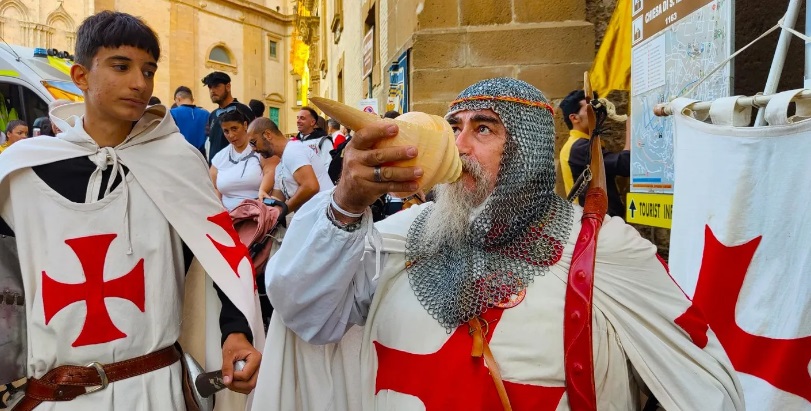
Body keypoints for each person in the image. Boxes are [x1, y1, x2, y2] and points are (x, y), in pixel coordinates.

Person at [252, 78, 744, 411]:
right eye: (453, 129)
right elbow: (304, 313)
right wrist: (344, 204)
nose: (459, 146)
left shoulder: (603, 252)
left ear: (527, 148)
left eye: (483, 128)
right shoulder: (403, 239)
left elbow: (707, 389)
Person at [0, 11, 264, 410]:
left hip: (154, 389)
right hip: (57, 396)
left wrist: (235, 331)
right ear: (81, 75)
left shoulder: (176, 163)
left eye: (149, 70)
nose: (139, 83)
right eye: (121, 66)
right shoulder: (21, 171)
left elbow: (216, 258)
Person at [559, 89, 630, 218]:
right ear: (574, 118)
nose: (596, 113)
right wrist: (632, 131)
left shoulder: (578, 144)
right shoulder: (579, 148)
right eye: (589, 110)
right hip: (595, 225)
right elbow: (625, 165)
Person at [248, 117, 333, 214]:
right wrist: (263, 202)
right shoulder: (280, 165)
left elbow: (310, 186)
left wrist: (284, 210)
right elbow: (278, 199)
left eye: (253, 142)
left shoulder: (293, 150)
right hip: (315, 217)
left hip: (324, 217)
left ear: (268, 135)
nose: (253, 149)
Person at [210, 110, 278, 211]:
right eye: (226, 131)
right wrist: (219, 208)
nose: (231, 135)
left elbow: (271, 171)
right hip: (227, 215)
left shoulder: (260, 149)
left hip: (258, 212)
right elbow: (214, 186)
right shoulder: (220, 157)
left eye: (234, 128)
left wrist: (263, 191)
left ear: (245, 125)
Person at [202, 71, 255, 162]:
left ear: (228, 87)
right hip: (215, 169)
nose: (212, 91)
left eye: (216, 86)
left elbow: (253, 139)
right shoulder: (213, 115)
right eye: (210, 87)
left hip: (237, 167)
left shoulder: (243, 110)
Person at [170, 85, 210, 157]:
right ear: (192, 99)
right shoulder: (206, 114)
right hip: (202, 157)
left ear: (178, 99)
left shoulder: (172, 113)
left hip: (181, 155)